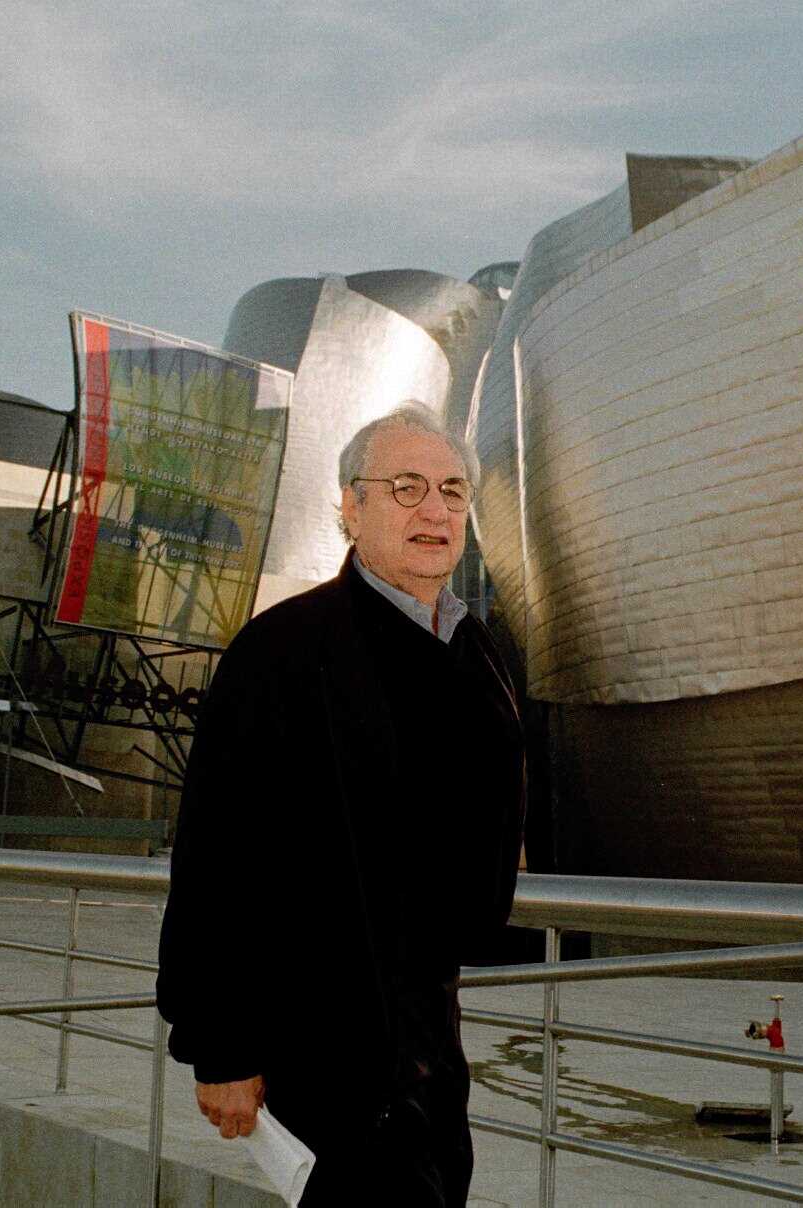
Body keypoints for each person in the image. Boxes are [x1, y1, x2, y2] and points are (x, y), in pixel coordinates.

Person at [157, 402, 526, 1205]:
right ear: (350, 507)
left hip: (430, 1033)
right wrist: (221, 1047)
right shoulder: (285, 649)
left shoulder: (472, 649)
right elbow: (217, 853)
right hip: (319, 1039)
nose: (435, 509)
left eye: (453, 491)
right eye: (406, 487)